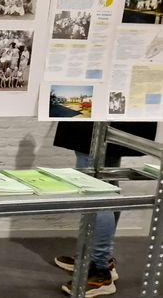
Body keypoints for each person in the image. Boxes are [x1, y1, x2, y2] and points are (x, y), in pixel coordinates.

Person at [53, 121, 157, 297]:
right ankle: (96, 258)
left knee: (95, 191)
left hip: (95, 117)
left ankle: (99, 271)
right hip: (118, 114)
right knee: (105, 182)